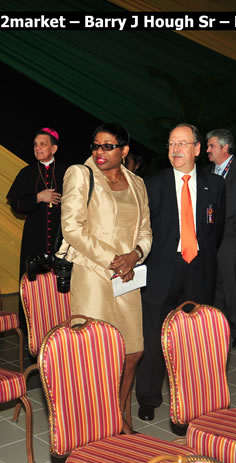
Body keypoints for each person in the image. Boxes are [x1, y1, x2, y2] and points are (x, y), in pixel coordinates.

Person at [57, 123, 151, 429]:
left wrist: (135, 255)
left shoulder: (137, 183)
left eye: (108, 146)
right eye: (96, 145)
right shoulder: (80, 174)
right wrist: (113, 260)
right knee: (96, 356)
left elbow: (146, 231)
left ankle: (119, 413)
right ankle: (93, 423)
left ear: (124, 151)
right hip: (93, 274)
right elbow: (71, 228)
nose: (100, 152)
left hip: (127, 276)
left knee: (133, 351)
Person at [137, 124, 225, 422]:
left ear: (198, 149)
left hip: (199, 271)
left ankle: (191, 399)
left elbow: (216, 231)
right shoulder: (152, 184)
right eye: (172, 143)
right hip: (161, 271)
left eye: (183, 144)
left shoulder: (215, 186)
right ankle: (148, 398)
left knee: (193, 341)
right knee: (153, 339)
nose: (176, 149)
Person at [203, 128, 236, 347]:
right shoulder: (207, 171)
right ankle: (219, 327)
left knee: (233, 285)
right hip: (210, 238)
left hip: (234, 237)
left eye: (211, 146)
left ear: (225, 147)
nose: (207, 150)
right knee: (215, 285)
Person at [6, 128, 65, 281]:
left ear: (54, 148)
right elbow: (16, 204)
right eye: (35, 144)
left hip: (62, 240)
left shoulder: (66, 172)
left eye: (42, 144)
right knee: (33, 284)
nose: (37, 148)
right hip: (34, 240)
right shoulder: (26, 173)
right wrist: (38, 197)